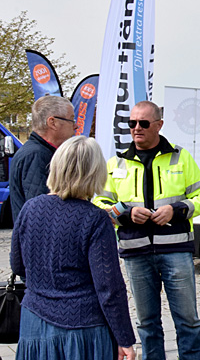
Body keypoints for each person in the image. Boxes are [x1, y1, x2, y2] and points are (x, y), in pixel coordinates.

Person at [94, 100, 200, 360]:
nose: (136, 128)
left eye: (144, 123)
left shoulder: (180, 156)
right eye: (132, 123)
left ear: (159, 125)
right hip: (135, 253)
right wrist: (125, 215)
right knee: (147, 325)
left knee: (188, 322)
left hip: (176, 250)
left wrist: (176, 210)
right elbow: (100, 203)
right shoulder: (116, 163)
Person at [11, 135, 136, 360]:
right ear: (95, 173)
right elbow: (109, 287)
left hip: (34, 323)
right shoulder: (95, 218)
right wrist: (124, 338)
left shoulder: (30, 209)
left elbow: (18, 265)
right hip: (82, 328)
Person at [9, 95, 76, 222]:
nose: (76, 125)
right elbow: (42, 211)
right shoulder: (37, 155)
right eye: (71, 119)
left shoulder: (38, 152)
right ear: (52, 122)